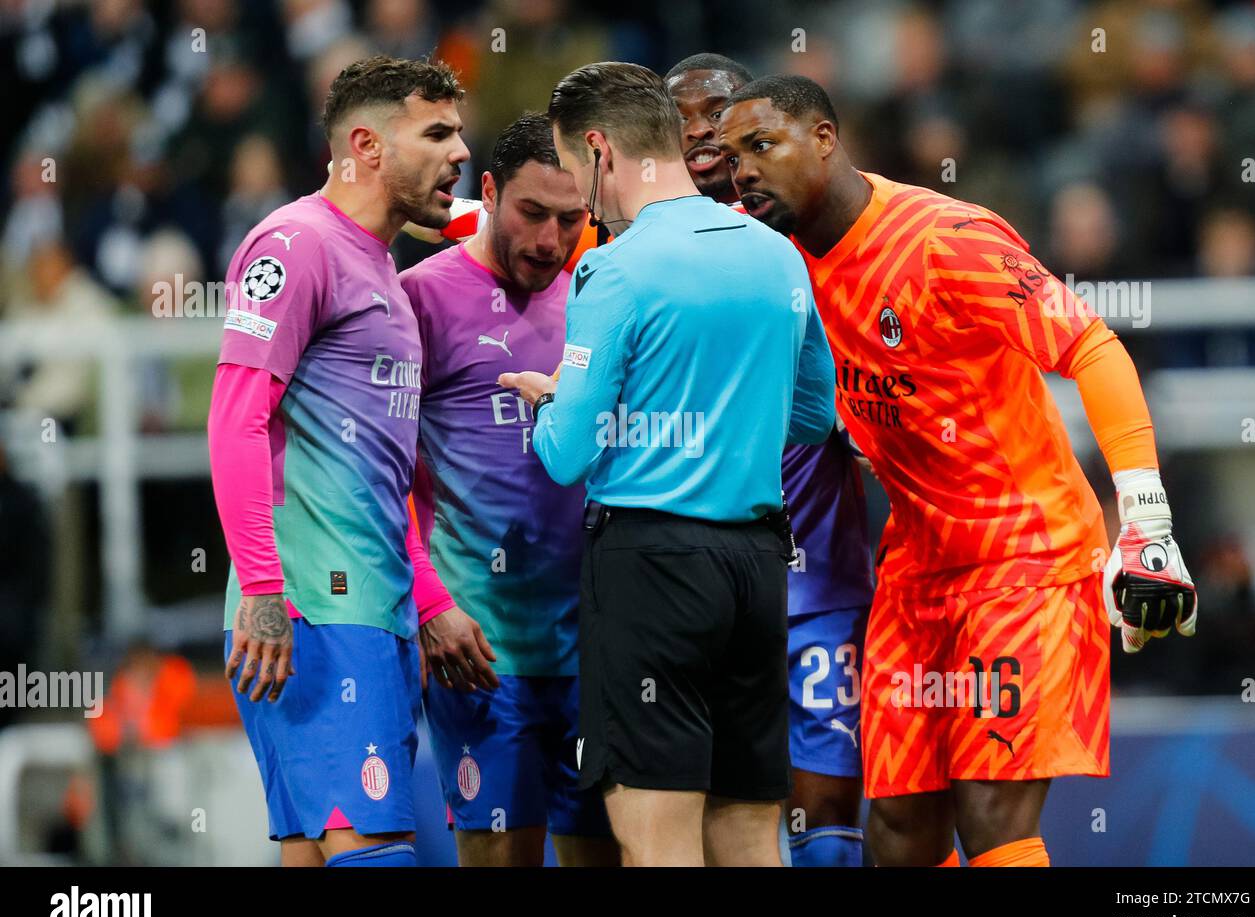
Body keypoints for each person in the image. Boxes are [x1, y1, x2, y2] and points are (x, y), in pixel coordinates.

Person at [718, 75, 1198, 867]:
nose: (743, 172)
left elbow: (1092, 346)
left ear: (826, 139)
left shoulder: (944, 237)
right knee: (899, 829)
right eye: (731, 158)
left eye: (761, 146)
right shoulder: (774, 263)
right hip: (916, 572)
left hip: (1026, 559)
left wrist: (1145, 517)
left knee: (990, 815)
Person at [500, 61, 836, 867]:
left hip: (651, 571)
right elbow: (815, 417)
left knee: (657, 845)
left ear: (598, 150)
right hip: (757, 569)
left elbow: (568, 455)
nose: (581, 193)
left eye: (576, 168)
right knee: (751, 834)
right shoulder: (776, 255)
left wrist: (549, 405)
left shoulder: (613, 268)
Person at [209, 54, 471, 867]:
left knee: (315, 850)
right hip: (312, 609)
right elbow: (232, 425)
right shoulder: (295, 245)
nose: (461, 153)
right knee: (376, 848)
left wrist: (425, 601)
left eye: (459, 132)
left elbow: (389, 475)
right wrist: (260, 591)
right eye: (436, 134)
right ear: (365, 144)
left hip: (370, 608)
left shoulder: (382, 268)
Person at [664, 53, 875, 867]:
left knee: (826, 805)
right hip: (704, 575)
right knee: (727, 809)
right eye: (690, 121)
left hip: (819, 569)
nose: (709, 137)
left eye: (723, 117)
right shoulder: (639, 245)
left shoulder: (819, 235)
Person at [399, 112, 618, 866]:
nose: (548, 242)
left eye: (570, 220)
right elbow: (379, 476)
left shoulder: (604, 291)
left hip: (601, 645)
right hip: (482, 649)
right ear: (488, 192)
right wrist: (430, 604)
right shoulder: (417, 302)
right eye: (530, 214)